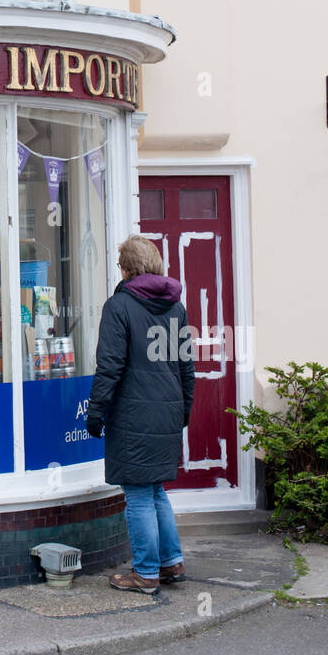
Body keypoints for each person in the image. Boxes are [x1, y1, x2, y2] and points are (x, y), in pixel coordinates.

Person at [86, 235, 195, 595]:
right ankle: (172, 562)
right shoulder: (176, 308)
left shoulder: (119, 306)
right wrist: (184, 412)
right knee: (155, 490)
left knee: (137, 493)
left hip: (133, 415)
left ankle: (146, 573)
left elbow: (110, 367)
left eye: (120, 265)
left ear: (127, 268)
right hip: (167, 412)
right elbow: (186, 368)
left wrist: (95, 412)